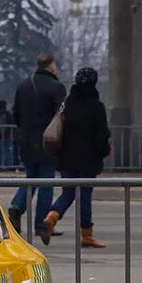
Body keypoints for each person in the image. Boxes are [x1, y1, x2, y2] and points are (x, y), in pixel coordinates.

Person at [40, 68, 111, 248]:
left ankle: (51, 216)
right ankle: (86, 235)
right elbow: (102, 136)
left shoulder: (68, 103)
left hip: (67, 158)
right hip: (88, 160)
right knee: (85, 195)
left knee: (68, 192)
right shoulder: (96, 106)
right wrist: (102, 153)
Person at [8, 52, 66, 235]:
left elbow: (16, 113)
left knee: (31, 177)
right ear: (51, 66)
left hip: (25, 140)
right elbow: (61, 117)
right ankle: (42, 224)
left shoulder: (23, 86)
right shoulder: (56, 87)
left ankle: (17, 206)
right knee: (46, 182)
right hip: (47, 141)